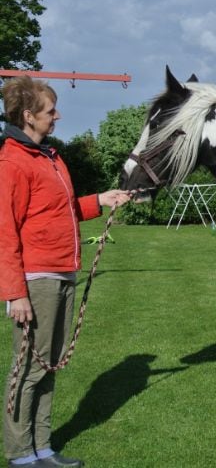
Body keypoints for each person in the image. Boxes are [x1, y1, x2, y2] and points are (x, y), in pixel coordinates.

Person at [0, 77, 133, 468]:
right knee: (28, 369)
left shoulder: (50, 157)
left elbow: (58, 211)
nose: (57, 116)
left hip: (63, 273)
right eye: (50, 111)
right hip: (36, 279)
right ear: (28, 116)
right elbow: (5, 232)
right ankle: (20, 453)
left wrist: (99, 200)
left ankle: (43, 447)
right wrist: (16, 293)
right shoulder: (11, 162)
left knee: (50, 364)